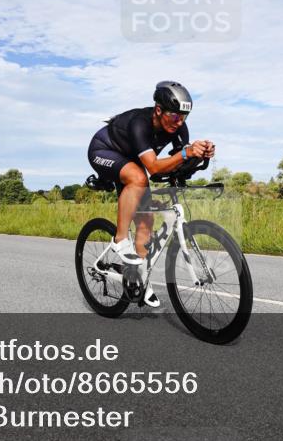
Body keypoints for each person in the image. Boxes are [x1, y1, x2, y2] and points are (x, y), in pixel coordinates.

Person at [87, 81, 215, 307]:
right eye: (175, 116)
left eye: (184, 117)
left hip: (132, 159)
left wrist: (201, 155)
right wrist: (186, 152)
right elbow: (154, 167)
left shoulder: (178, 129)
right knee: (138, 178)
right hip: (104, 149)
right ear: (158, 110)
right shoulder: (140, 123)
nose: (180, 122)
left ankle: (140, 279)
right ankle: (119, 239)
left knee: (146, 217)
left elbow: (175, 164)